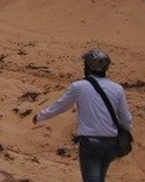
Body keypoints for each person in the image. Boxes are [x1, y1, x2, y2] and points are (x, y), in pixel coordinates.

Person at [32, 48, 133, 182]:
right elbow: (126, 119)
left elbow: (60, 106)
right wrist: (124, 134)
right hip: (111, 143)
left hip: (91, 143)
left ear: (88, 66)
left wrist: (40, 116)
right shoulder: (117, 88)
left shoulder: (78, 87)